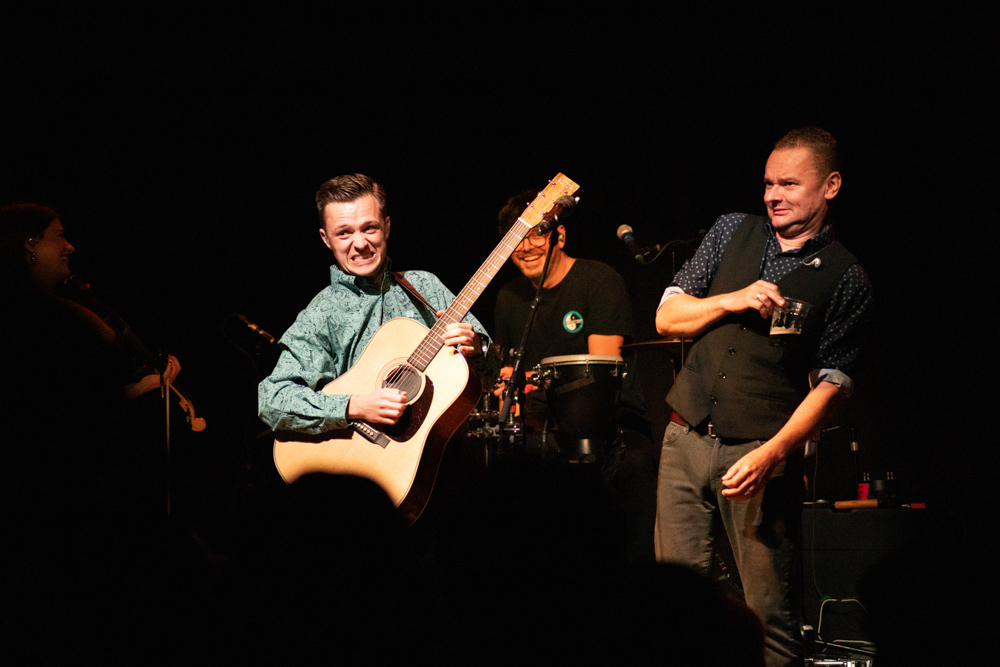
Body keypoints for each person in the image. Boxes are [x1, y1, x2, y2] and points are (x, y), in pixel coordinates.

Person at [653, 127, 873, 665]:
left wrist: (773, 453)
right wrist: (731, 300)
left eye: (790, 184)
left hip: (759, 453)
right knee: (674, 607)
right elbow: (666, 316)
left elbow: (834, 385)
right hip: (685, 437)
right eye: (769, 183)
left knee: (768, 616)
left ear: (831, 186)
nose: (774, 195)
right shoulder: (732, 231)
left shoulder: (847, 277)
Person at [258, 173, 489, 438]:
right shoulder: (321, 314)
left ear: (387, 227)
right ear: (326, 239)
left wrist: (477, 349)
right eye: (344, 233)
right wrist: (353, 406)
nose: (360, 243)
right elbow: (271, 400)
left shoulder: (426, 287)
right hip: (362, 467)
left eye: (369, 228)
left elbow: (490, 378)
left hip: (446, 450)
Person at [492, 190, 656, 562]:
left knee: (627, 473)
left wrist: (533, 380)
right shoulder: (508, 298)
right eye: (515, 239)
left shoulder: (598, 279)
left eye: (536, 233)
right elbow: (505, 375)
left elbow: (599, 373)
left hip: (609, 426)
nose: (527, 247)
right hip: (541, 427)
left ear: (559, 236)